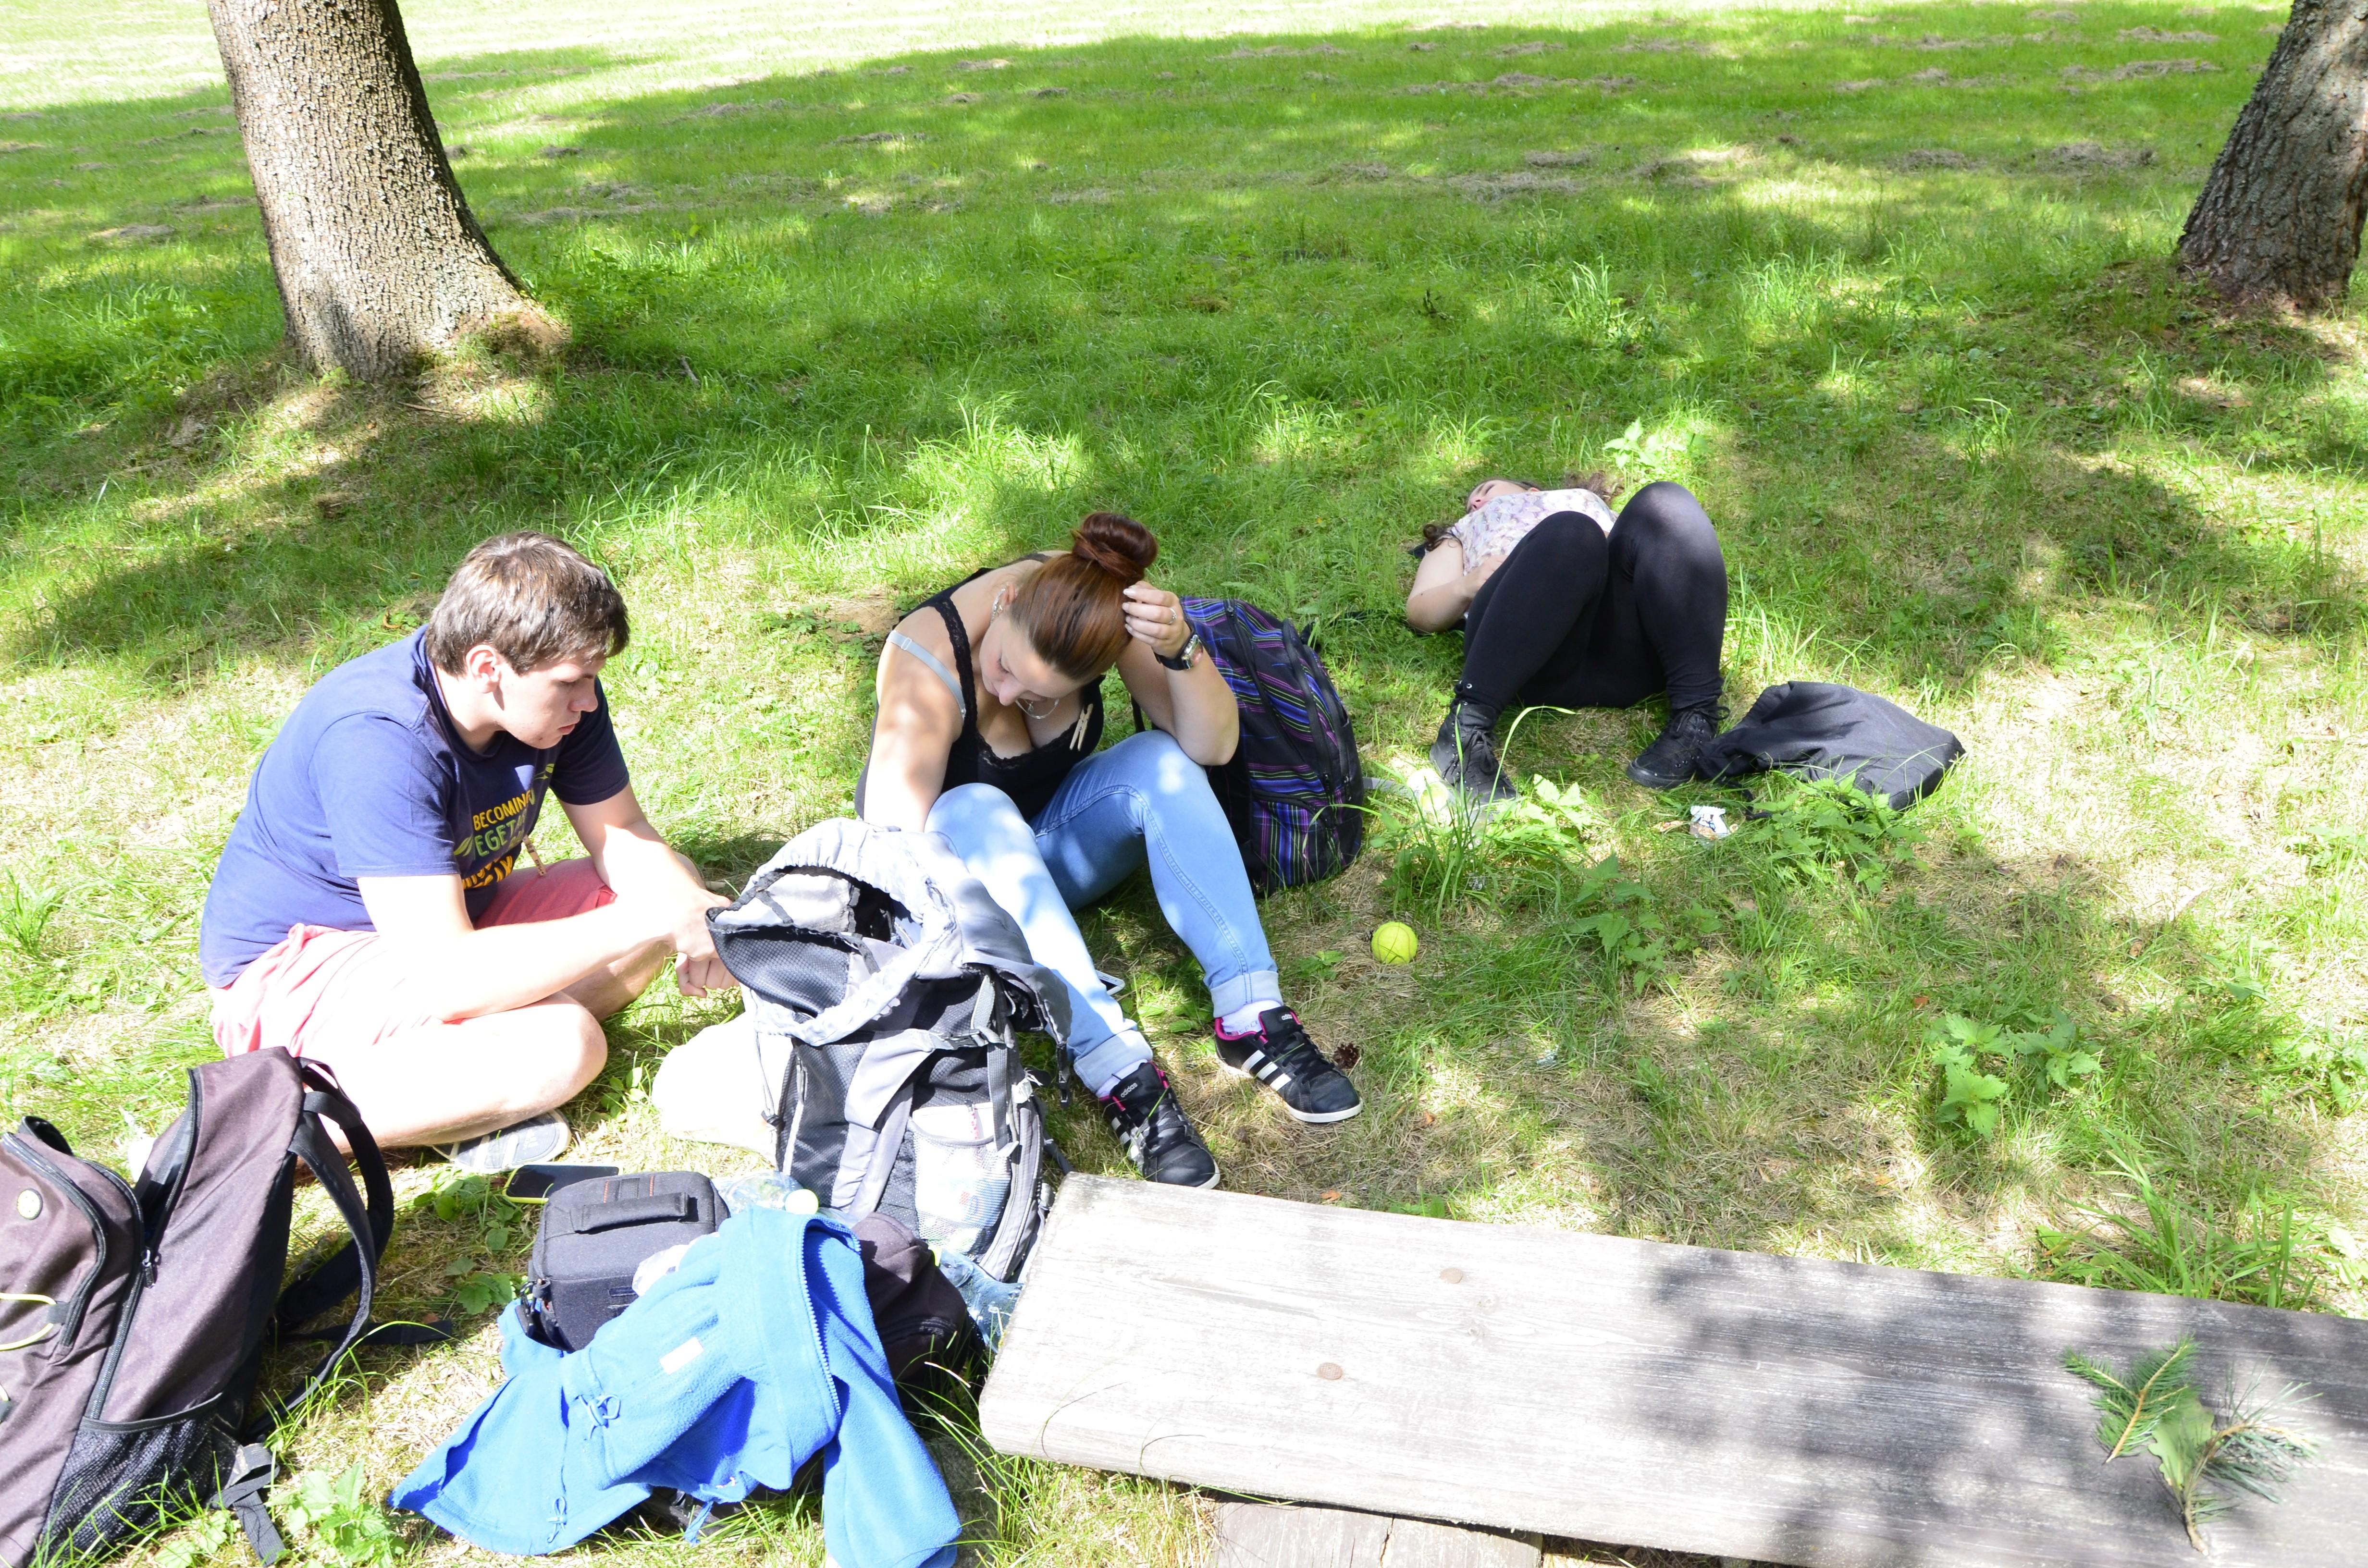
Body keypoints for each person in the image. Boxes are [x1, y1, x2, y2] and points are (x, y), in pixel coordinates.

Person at [197, 532, 733, 1169]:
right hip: (296, 970)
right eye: (572, 682)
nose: (588, 701)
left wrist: (684, 908)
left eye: (592, 679)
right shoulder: (378, 739)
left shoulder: (555, 698)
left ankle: (454, 1082)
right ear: (486, 668)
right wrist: (648, 919)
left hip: (443, 924)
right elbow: (450, 978)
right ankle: (249, 1136)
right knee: (565, 1044)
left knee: (669, 883)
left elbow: (621, 831)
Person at [860, 512, 1362, 1189]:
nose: (1006, 694)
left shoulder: (1096, 603)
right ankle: (1117, 1069)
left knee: (1160, 758)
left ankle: (1251, 1014)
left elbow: (1211, 747)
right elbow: (892, 856)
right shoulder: (927, 660)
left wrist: (1180, 648)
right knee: (971, 804)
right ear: (1005, 601)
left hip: (1057, 849)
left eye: (1039, 695)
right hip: (966, 882)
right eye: (1004, 668)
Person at [1406, 475, 1730, 807]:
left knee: (1665, 500)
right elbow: (1420, 611)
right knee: (1572, 531)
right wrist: (1467, 585)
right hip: (1527, 658)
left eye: (1487, 490)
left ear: (1532, 492)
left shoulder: (1587, 505)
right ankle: (1464, 731)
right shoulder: (1461, 534)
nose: (1476, 501)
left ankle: (1697, 715)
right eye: (1471, 501)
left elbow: (1671, 552)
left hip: (1626, 654)